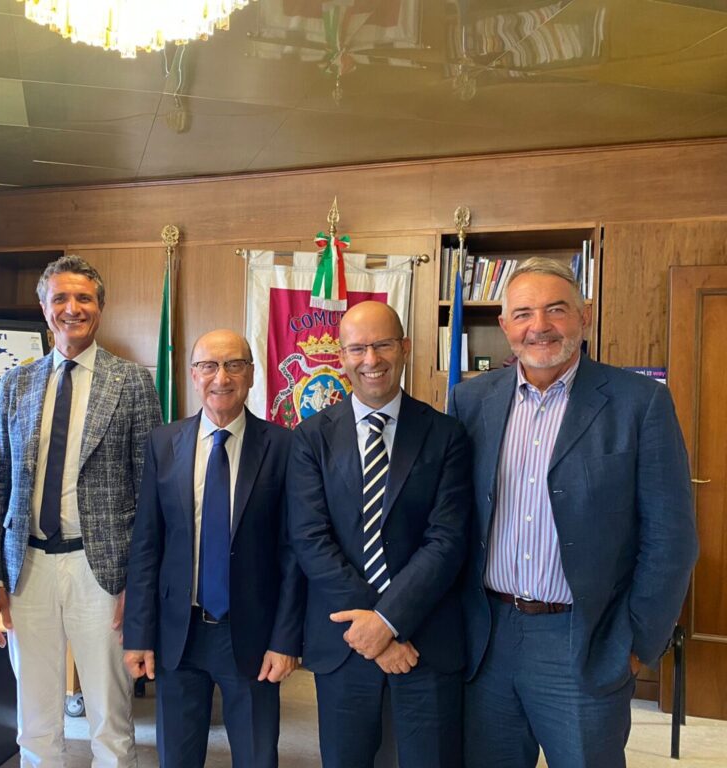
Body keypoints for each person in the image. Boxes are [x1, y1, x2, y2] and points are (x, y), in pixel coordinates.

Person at [449, 257, 699, 768]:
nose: (539, 326)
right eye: (523, 313)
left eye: (556, 309)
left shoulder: (639, 403)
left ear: (585, 315)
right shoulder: (470, 400)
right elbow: (454, 519)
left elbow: (671, 538)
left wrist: (637, 643)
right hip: (489, 636)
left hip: (584, 640)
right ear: (504, 325)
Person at [0, 255, 161, 767]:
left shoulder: (131, 381)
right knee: (35, 719)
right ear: (44, 309)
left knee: (110, 718)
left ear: (100, 308)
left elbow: (151, 489)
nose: (72, 308)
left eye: (83, 298)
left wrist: (138, 583)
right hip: (27, 568)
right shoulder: (15, 383)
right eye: (60, 298)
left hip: (101, 570)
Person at [287, 301, 470, 768]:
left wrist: (388, 622)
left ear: (404, 347)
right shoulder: (310, 437)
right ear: (342, 356)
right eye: (358, 348)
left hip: (425, 640)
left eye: (383, 345)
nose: (371, 360)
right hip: (343, 642)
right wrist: (375, 629)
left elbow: (446, 540)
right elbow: (311, 538)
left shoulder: (446, 434)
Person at [123, 329, 304, 768]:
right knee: (176, 759)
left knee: (257, 758)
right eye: (208, 366)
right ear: (193, 375)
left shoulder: (284, 446)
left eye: (233, 365)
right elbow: (147, 545)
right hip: (179, 635)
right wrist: (139, 635)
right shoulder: (164, 443)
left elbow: (293, 554)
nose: (221, 377)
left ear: (251, 374)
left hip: (253, 636)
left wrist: (286, 640)